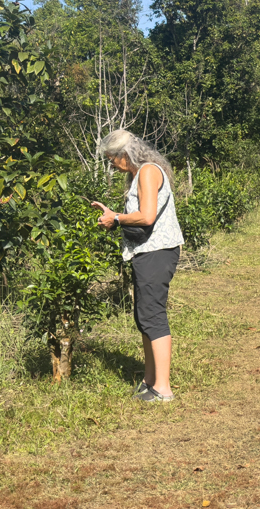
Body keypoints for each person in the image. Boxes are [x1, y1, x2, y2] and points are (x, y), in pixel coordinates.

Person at [91, 130, 185, 403]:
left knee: (152, 315)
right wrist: (116, 216)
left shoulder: (146, 172)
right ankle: (150, 380)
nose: (111, 164)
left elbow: (146, 216)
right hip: (147, 251)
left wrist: (116, 219)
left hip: (157, 251)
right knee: (143, 315)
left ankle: (163, 389)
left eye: (111, 158)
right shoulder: (139, 174)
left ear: (125, 153)